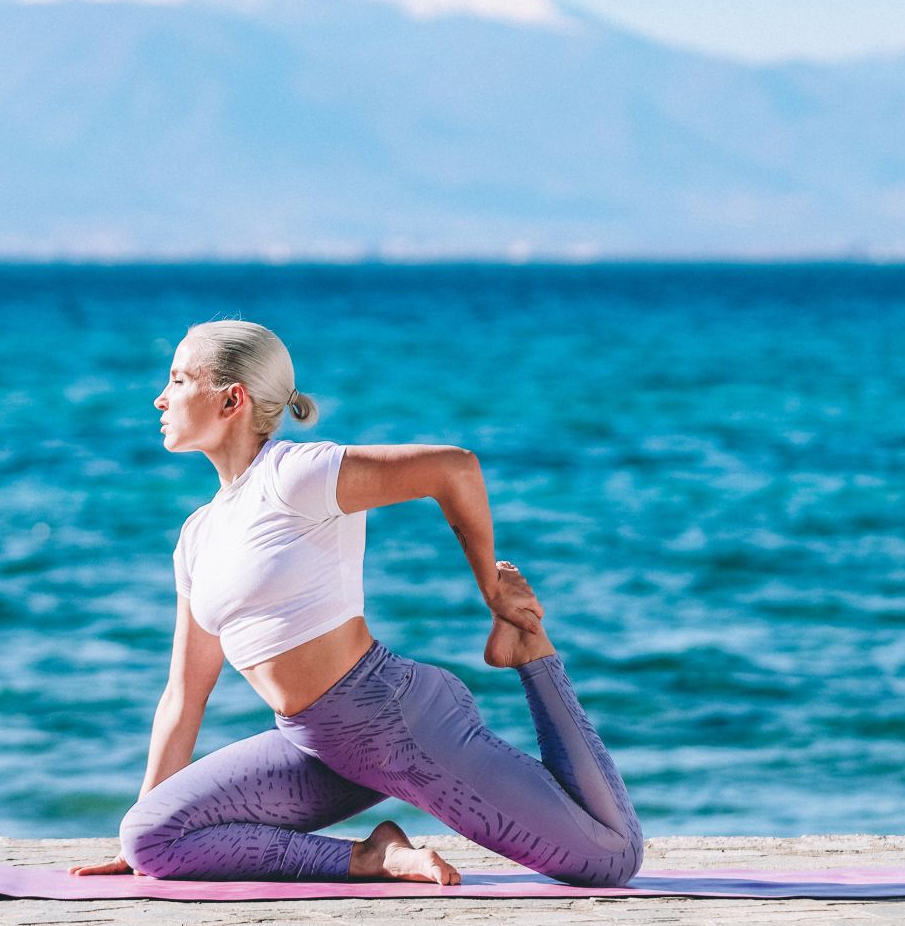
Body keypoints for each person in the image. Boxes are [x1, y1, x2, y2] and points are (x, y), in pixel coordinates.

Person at [70, 320, 643, 886]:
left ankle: (531, 652)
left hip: (398, 726)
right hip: (314, 744)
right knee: (149, 840)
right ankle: (373, 857)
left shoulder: (295, 475)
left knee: (611, 860)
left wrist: (492, 591)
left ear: (231, 399)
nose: (159, 397)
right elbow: (183, 694)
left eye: (176, 380)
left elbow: (453, 468)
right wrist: (140, 829)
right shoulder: (197, 534)